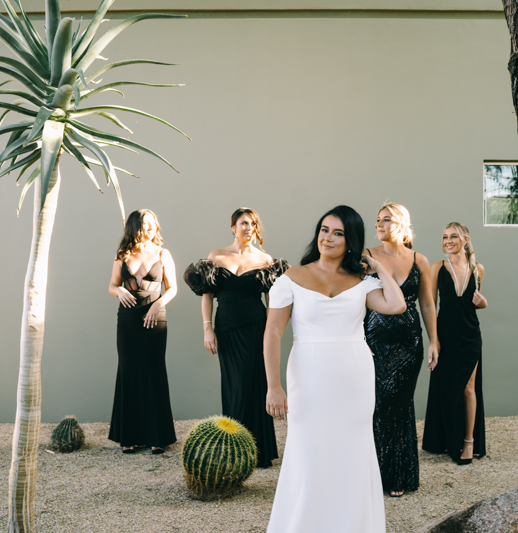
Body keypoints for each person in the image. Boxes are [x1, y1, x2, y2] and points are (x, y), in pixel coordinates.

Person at [264, 205, 406, 533]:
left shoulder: (362, 282)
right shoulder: (291, 278)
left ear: (350, 240)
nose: (328, 238)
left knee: (352, 453)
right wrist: (274, 386)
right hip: (308, 376)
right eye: (324, 230)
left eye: (338, 233)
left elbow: (397, 305)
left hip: (354, 376)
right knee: (309, 452)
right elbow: (272, 333)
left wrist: (378, 267)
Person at [183, 208, 288, 468]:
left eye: (253, 224)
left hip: (256, 328)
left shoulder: (265, 260)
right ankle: (235, 448)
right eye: (243, 223)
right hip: (227, 328)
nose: (249, 227)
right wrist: (207, 328)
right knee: (235, 386)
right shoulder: (216, 255)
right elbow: (206, 295)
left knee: (256, 384)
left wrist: (272, 333)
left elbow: (272, 301)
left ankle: (260, 451)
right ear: (233, 227)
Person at [362, 202, 439, 496]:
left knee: (400, 405)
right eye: (378, 220)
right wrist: (357, 338)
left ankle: (398, 476)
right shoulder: (366, 257)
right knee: (378, 405)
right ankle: (373, 474)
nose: (379, 225)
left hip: (410, 343)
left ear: (402, 224)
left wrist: (434, 340)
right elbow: (355, 299)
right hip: (374, 343)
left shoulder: (419, 260)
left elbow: (428, 303)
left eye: (387, 220)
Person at [107, 209, 178, 454]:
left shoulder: (162, 253)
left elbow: (172, 288)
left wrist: (158, 304)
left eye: (152, 224)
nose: (150, 228)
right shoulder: (122, 254)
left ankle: (157, 436)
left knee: (153, 371)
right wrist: (120, 291)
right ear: (134, 226)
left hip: (154, 319)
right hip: (128, 320)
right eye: (145, 224)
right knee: (128, 372)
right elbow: (112, 285)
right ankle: (130, 436)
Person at [422, 222, 488, 465]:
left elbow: (476, 303)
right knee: (448, 388)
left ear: (465, 239)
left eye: (453, 236)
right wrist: (433, 341)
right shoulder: (436, 267)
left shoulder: (478, 269)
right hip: (445, 337)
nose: (448, 241)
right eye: (444, 237)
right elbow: (429, 306)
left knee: (469, 388)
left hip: (470, 336)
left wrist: (484, 304)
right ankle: (448, 440)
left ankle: (469, 442)